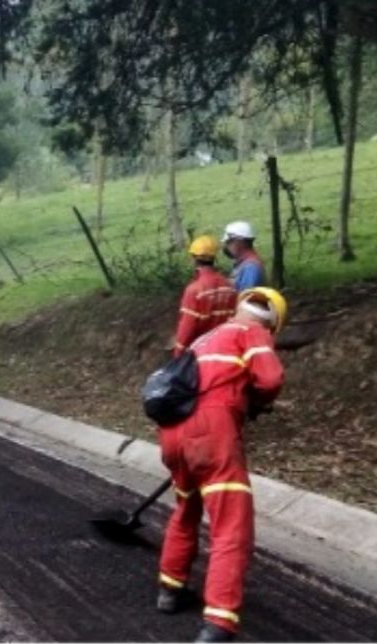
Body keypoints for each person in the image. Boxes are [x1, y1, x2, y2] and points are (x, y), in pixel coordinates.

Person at [155, 287, 287, 643]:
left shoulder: (205, 338)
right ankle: (219, 622)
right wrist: (257, 400)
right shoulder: (251, 332)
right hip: (210, 433)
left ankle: (170, 588)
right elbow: (270, 378)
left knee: (187, 507)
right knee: (232, 524)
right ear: (272, 323)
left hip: (172, 433)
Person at [173, 236, 237, 356]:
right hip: (225, 349)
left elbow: (187, 326)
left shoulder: (194, 290)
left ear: (194, 259)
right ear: (214, 257)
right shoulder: (229, 286)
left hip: (201, 352)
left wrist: (178, 352)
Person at [222, 221, 265, 292]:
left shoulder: (251, 267)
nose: (227, 246)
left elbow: (246, 296)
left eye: (229, 242)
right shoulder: (243, 264)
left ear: (240, 242)